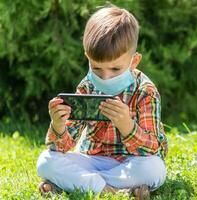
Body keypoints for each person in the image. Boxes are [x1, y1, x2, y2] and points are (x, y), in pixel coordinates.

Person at [36, 4, 168, 199]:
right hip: (92, 159)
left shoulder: (145, 91)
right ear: (87, 58)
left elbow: (153, 148)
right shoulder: (87, 87)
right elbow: (62, 147)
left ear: (134, 61)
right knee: (46, 161)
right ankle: (113, 189)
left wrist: (127, 126)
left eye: (115, 69)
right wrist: (58, 124)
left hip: (130, 162)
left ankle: (77, 183)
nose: (105, 77)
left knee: (154, 169)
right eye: (97, 68)